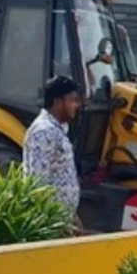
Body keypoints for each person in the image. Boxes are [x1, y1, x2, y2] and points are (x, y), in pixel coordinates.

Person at [23, 75, 83, 232]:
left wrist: (72, 215)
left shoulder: (58, 129)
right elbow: (38, 182)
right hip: (51, 223)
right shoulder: (44, 131)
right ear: (57, 102)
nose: (76, 105)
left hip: (62, 219)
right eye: (72, 100)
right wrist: (53, 223)